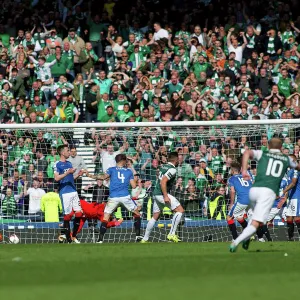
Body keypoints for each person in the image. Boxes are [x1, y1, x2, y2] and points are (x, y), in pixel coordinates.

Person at [230, 138, 299, 252]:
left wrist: (243, 172)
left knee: (253, 219)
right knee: (257, 222)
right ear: (281, 148)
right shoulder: (285, 158)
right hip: (267, 193)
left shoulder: (263, 153)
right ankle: (236, 242)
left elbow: (246, 152)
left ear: (268, 146)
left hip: (253, 190)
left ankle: (247, 238)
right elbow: (297, 167)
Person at [87, 153, 141, 243]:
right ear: (123, 161)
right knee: (136, 213)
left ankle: (100, 240)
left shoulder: (111, 169)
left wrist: (90, 175)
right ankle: (138, 236)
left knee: (106, 217)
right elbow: (134, 186)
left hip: (113, 197)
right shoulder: (128, 171)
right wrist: (135, 179)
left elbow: (103, 177)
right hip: (125, 196)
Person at [141, 152, 185, 243]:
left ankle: (144, 239)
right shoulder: (172, 169)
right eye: (179, 159)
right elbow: (163, 181)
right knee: (180, 210)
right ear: (176, 160)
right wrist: (165, 196)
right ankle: (171, 234)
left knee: (155, 216)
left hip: (156, 194)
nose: (179, 161)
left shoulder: (163, 167)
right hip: (161, 194)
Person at [53, 144, 85, 244]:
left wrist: (78, 175)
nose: (69, 152)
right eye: (67, 151)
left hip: (73, 191)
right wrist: (68, 172)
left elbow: (71, 179)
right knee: (67, 216)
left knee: (79, 213)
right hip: (65, 192)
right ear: (62, 153)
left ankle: (74, 235)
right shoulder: (57, 164)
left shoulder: (69, 163)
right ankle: (68, 239)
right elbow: (56, 178)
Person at [227, 162, 252, 241]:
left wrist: (231, 203)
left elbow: (233, 191)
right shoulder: (246, 177)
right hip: (252, 199)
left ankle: (235, 238)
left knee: (229, 218)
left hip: (242, 200)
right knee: (239, 217)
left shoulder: (232, 178)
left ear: (232, 171)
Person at [280, 156, 300, 241]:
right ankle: (290, 239)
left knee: (297, 218)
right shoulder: (289, 171)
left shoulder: (296, 170)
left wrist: (283, 191)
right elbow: (289, 185)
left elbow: (293, 183)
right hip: (291, 197)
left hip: (296, 197)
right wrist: (285, 197)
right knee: (289, 217)